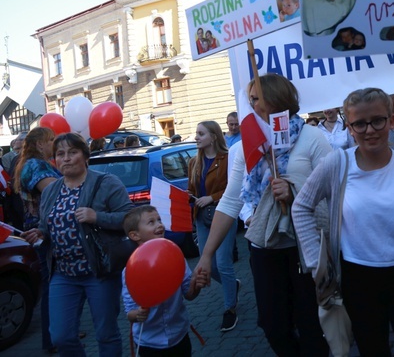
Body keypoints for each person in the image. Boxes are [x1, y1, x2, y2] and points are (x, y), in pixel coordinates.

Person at [293, 87, 394, 356]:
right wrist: (318, 263)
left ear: (392, 119)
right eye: (359, 124)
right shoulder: (337, 164)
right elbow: (301, 207)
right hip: (357, 279)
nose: (369, 130)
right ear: (349, 127)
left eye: (377, 120)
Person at [195, 73, 331, 355]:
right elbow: (231, 202)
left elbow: (335, 194)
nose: (251, 106)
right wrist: (206, 256)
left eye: (256, 99)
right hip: (264, 248)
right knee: (273, 327)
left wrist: (295, 194)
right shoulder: (248, 146)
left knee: (311, 326)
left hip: (305, 248)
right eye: (250, 100)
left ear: (277, 99)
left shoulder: (312, 137)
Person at [20, 132, 133, 357]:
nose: (66, 158)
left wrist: (97, 216)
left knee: (106, 334)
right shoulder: (52, 190)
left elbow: (129, 219)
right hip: (63, 273)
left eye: (72, 152)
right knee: (61, 336)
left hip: (99, 271)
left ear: (85, 156)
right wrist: (40, 233)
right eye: (60, 154)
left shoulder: (106, 182)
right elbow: (46, 225)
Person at [122, 206, 208, 355]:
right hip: (149, 343)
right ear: (135, 235)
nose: (159, 225)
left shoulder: (175, 256)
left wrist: (196, 284)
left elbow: (189, 294)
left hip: (179, 336)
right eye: (151, 222)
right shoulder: (131, 269)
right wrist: (138, 314)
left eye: (159, 220)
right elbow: (130, 312)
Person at [188, 120, 239, 332]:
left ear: (214, 136)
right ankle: (233, 285)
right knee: (208, 264)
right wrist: (189, 198)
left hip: (224, 214)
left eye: (201, 133)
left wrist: (212, 197)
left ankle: (230, 308)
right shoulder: (194, 162)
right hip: (202, 217)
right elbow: (192, 189)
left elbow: (234, 188)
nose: (196, 137)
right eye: (196, 133)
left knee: (223, 262)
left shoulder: (228, 159)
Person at [13, 127, 60, 353]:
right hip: (43, 232)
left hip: (46, 230)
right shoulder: (34, 165)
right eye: (50, 140)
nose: (54, 144)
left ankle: (58, 331)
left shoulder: (38, 164)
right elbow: (56, 191)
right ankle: (51, 339)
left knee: (54, 283)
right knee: (52, 285)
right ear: (40, 144)